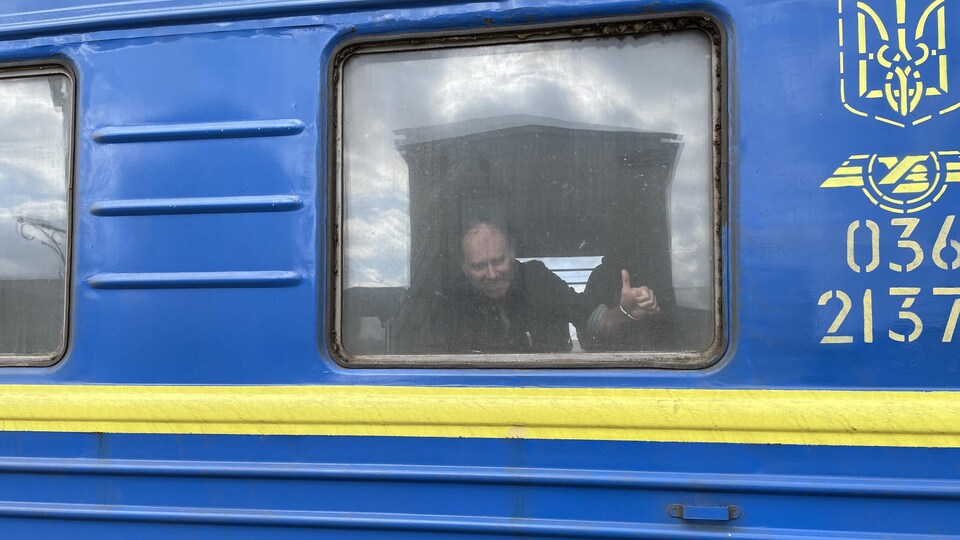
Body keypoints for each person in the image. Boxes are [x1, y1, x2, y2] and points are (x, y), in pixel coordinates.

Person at [392, 221, 659, 354]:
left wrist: (626, 312)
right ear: (463, 268)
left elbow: (592, 319)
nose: (492, 274)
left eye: (498, 261)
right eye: (478, 266)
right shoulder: (449, 300)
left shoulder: (537, 279)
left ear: (513, 254)